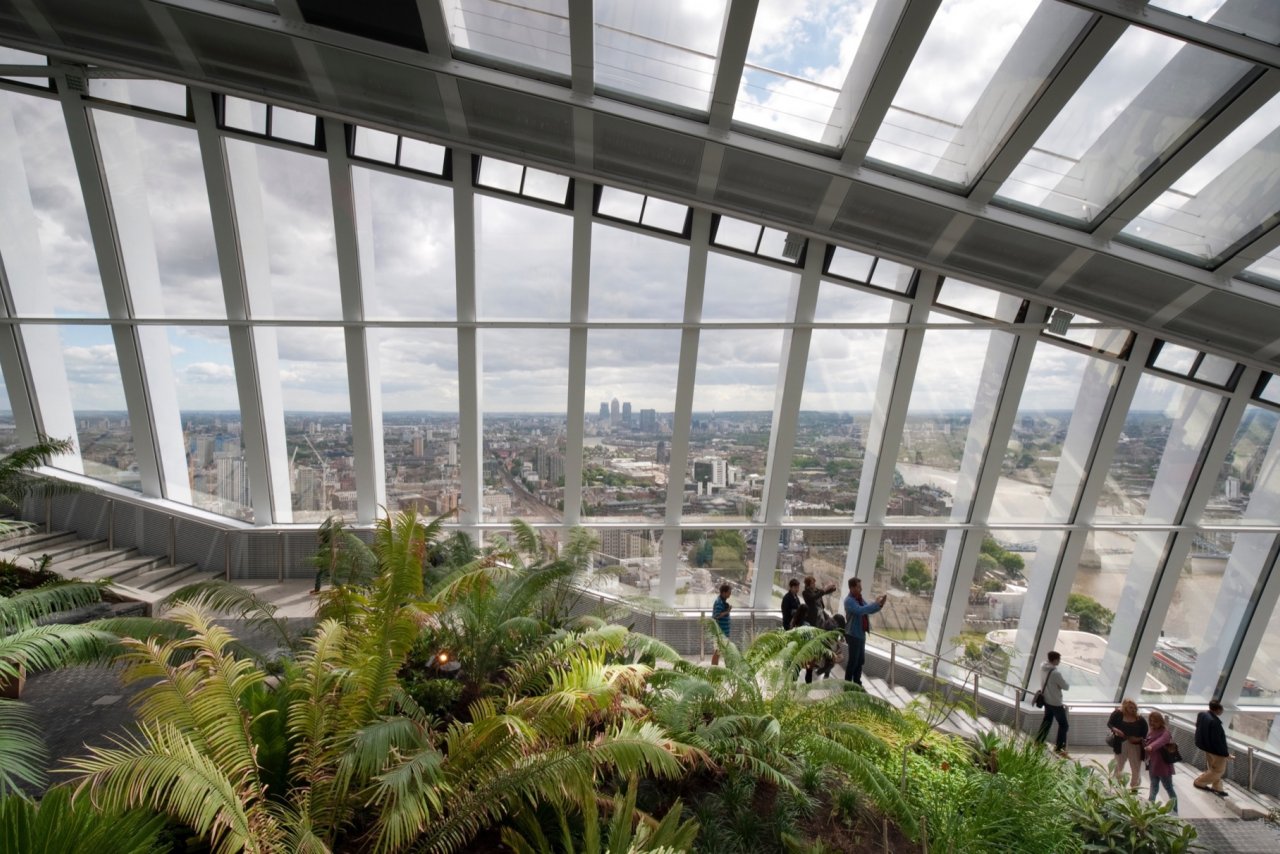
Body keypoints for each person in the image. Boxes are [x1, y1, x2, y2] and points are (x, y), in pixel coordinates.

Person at [843, 577, 885, 685]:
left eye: (860, 586)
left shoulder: (859, 599)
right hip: (853, 635)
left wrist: (880, 605)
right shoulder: (849, 601)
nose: (861, 589)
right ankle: (847, 685)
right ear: (852, 588)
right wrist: (875, 604)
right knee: (853, 661)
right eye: (858, 587)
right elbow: (861, 610)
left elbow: (868, 608)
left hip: (861, 634)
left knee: (860, 661)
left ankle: (857, 682)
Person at [1034, 650, 1070, 756]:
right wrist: (1059, 685)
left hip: (1046, 700)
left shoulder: (1043, 667)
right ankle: (1059, 748)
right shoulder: (1055, 673)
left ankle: (1039, 740)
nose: (1059, 662)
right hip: (1055, 702)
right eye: (1059, 660)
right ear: (1054, 660)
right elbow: (1066, 687)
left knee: (1047, 721)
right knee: (1064, 725)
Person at [1193, 699, 1232, 797]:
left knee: (1213, 768)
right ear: (1218, 710)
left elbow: (1198, 726)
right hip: (1216, 751)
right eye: (1222, 710)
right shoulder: (1215, 723)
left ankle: (1217, 787)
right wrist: (1226, 754)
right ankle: (1200, 782)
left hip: (1206, 746)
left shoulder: (1202, 715)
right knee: (1218, 770)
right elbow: (1218, 741)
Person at [1107, 698, 1148, 790]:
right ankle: (1115, 787)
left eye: (1134, 708)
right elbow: (1110, 724)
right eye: (1130, 707)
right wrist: (1116, 730)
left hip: (1135, 745)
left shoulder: (1140, 719)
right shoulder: (1118, 714)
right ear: (1125, 707)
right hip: (1120, 744)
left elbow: (1145, 734)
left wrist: (1137, 738)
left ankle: (1135, 787)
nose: (1132, 709)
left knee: (1135, 767)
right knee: (1118, 765)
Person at [1145, 710, 1178, 813]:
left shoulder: (1165, 733)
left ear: (1160, 721)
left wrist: (1151, 747)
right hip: (1153, 765)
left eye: (1155, 721)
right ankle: (1150, 808)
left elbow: (1161, 741)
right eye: (1151, 721)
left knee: (1168, 788)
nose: (1152, 723)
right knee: (1153, 787)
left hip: (1163, 767)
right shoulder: (1152, 731)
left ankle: (1174, 809)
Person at [710, 583, 732, 666]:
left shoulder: (722, 602)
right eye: (729, 592)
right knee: (717, 652)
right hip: (720, 633)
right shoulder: (719, 602)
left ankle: (728, 669)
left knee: (726, 651)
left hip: (723, 633)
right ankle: (714, 669)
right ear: (723, 592)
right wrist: (727, 611)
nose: (730, 594)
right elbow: (716, 616)